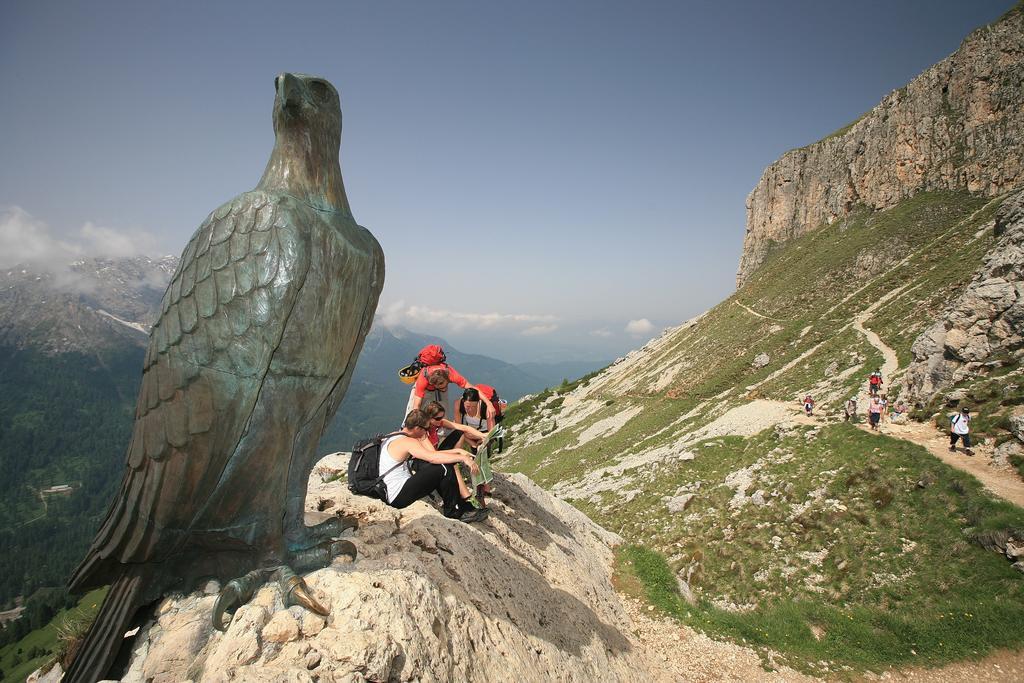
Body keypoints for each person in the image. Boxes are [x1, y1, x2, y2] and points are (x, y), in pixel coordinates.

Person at [378, 409, 487, 522]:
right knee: (444, 467)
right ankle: (455, 512)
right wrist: (462, 457)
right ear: (417, 428)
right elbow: (433, 458)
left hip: (387, 490)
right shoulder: (408, 441)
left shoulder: (393, 436)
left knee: (440, 469)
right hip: (397, 495)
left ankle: (461, 505)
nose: (426, 433)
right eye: (425, 429)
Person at [457, 388, 496, 502]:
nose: (469, 409)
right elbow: (458, 428)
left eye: (473, 406)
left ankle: (485, 488)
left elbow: (491, 432)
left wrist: (480, 442)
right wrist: (471, 443)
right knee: (474, 456)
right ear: (463, 401)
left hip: (484, 436)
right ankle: (481, 487)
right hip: (468, 435)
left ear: (478, 402)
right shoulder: (458, 405)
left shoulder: (485, 408)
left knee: (481, 455)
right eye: (467, 406)